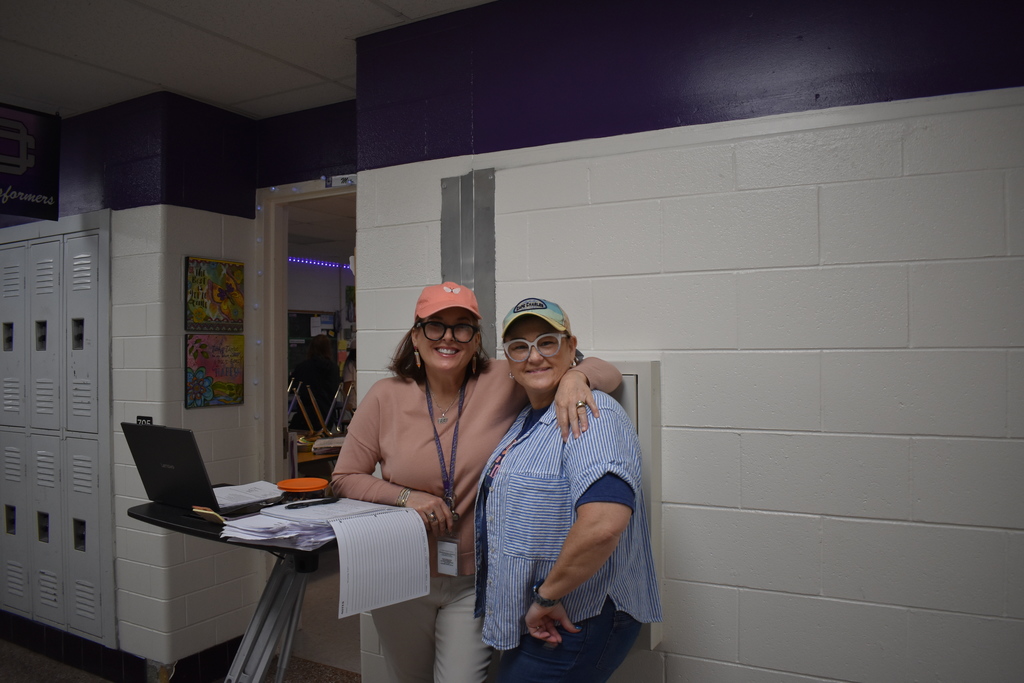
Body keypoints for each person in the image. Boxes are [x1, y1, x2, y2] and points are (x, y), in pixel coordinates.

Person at [331, 283, 621, 683]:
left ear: (476, 340)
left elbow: (609, 371)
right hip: (400, 571)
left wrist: (577, 377)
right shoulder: (385, 396)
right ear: (416, 336)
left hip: (474, 579)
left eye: (462, 327)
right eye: (436, 326)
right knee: (409, 678)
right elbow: (344, 478)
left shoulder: (505, 378)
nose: (449, 338)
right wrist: (405, 496)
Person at [474, 298, 661, 683]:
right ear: (508, 360)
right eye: (519, 347)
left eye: (547, 342)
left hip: (575, 619)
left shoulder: (593, 414)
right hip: (548, 615)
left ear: (571, 347)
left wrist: (546, 596)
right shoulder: (529, 417)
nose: (534, 356)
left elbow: (603, 525)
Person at [289, 334, 341, 431]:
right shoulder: (333, 369)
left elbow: (292, 388)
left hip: (305, 417)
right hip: (327, 417)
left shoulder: (303, 367)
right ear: (328, 349)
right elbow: (334, 390)